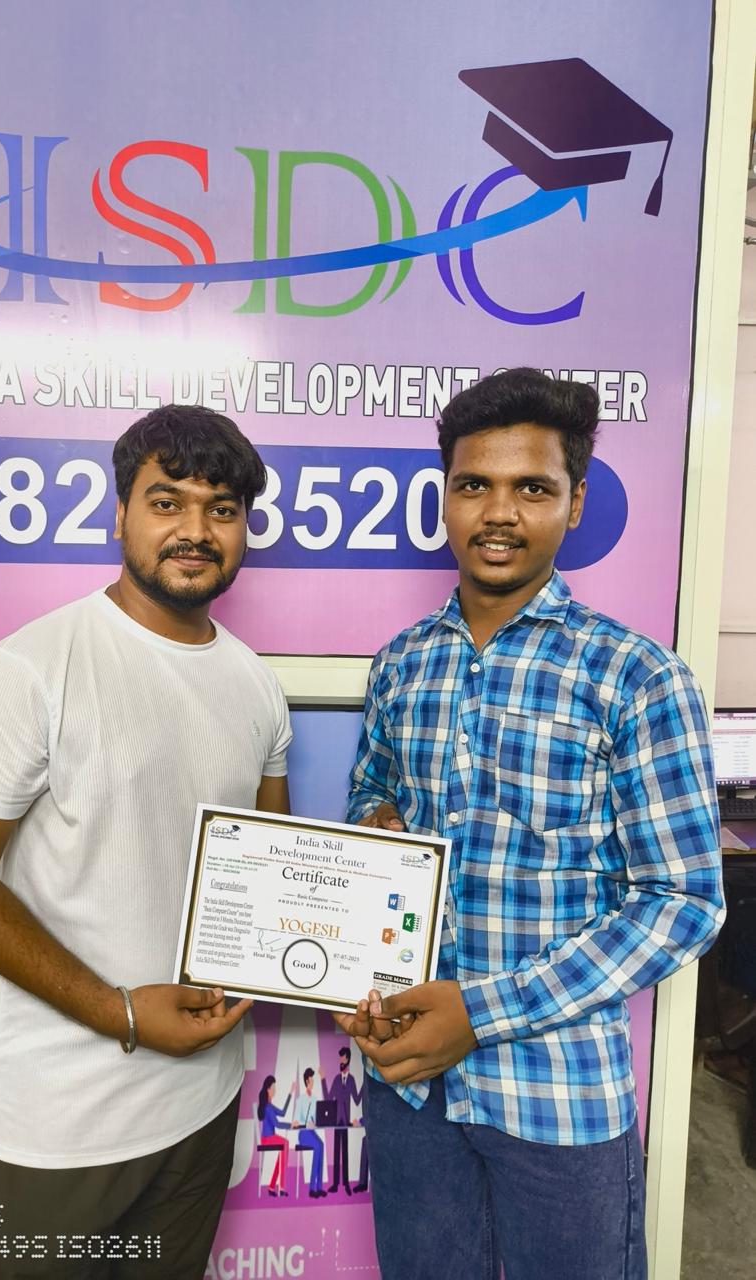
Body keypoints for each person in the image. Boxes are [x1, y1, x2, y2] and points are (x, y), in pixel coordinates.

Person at [338, 368, 724, 1280]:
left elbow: (682, 902)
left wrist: (479, 1013)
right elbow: (370, 796)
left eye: (532, 488)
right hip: (410, 1086)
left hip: (556, 1099)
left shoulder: (635, 676)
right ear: (445, 497)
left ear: (574, 502)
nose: (499, 513)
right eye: (474, 485)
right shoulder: (400, 664)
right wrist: (376, 822)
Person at [0, 404, 292, 1279]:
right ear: (119, 513)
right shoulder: (34, 667)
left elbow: (267, 871)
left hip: (201, 1105)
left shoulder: (256, 688)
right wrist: (118, 1013)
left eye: (221, 509)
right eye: (167, 502)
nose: (195, 531)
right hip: (59, 1126)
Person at [322, 1047, 363, 1193]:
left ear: (348, 1060)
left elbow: (357, 1100)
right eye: (340, 1058)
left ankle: (345, 1184)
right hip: (336, 1121)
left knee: (345, 1153)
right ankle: (335, 1184)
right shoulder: (336, 1079)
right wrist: (322, 1079)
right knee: (336, 1153)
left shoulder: (351, 1080)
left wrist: (365, 1085)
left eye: (343, 1058)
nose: (341, 1061)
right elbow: (328, 1097)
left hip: (346, 1121)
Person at [257, 1076, 295, 1197]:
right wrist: (290, 1125)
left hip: (270, 1137)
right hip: (266, 1139)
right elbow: (277, 1124)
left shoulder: (270, 1105)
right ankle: (281, 1187)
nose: (275, 1090)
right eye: (273, 1088)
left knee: (283, 1151)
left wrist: (290, 1093)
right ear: (268, 1090)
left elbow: (283, 1113)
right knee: (285, 1143)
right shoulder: (267, 1107)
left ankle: (272, 1186)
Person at [292, 1067, 326, 1197]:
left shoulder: (315, 1099)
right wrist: (301, 1123)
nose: (313, 1083)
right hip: (303, 1134)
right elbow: (296, 1119)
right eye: (312, 1080)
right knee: (317, 1146)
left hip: (312, 1132)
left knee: (321, 1145)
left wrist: (317, 1121)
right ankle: (312, 1188)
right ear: (307, 1081)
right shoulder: (300, 1099)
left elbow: (316, 1118)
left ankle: (319, 1187)